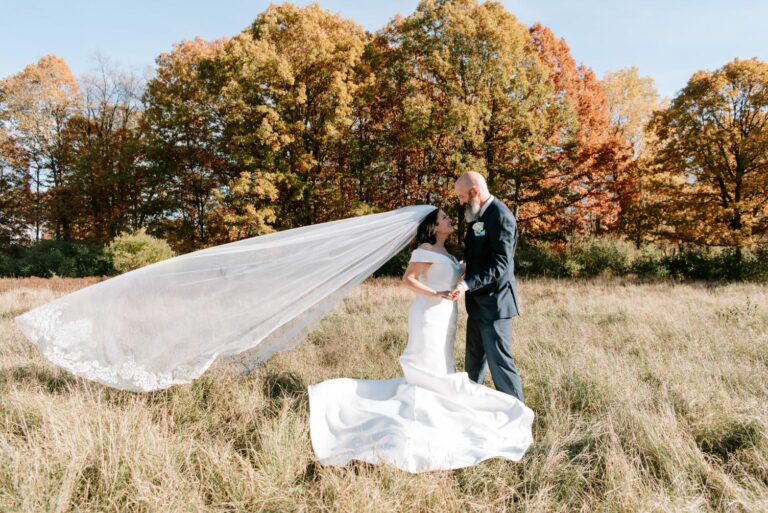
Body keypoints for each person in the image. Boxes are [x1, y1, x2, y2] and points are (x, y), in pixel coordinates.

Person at [308, 208, 534, 473]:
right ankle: (418, 416)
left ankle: (436, 411)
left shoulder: (446, 254)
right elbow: (409, 280)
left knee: (441, 364)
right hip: (427, 315)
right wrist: (436, 293)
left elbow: (456, 272)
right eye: (444, 219)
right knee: (428, 367)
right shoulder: (424, 249)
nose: (450, 220)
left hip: (445, 316)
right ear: (434, 227)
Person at [446, 171, 524, 402]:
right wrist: (464, 265)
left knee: (500, 364)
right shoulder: (478, 214)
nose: (460, 202)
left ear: (474, 192)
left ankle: (517, 418)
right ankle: (472, 410)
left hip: (496, 304)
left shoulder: (501, 217)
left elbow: (501, 265)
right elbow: (481, 255)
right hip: (477, 305)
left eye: (461, 196)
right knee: (473, 365)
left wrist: (467, 284)